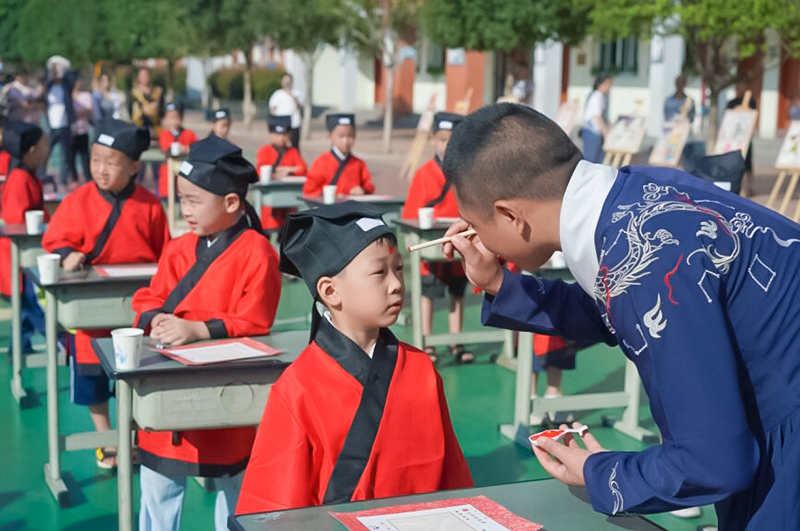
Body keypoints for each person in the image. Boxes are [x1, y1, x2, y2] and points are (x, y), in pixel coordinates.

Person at [440, 102, 800, 529]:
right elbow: (616, 306)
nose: (471, 236)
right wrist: (499, 282)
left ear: (510, 214)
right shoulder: (636, 190)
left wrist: (599, 474)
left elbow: (716, 460)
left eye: (472, 224)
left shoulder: (643, 262)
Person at [236, 202, 474, 514]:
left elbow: (453, 478)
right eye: (379, 272)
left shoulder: (422, 369)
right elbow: (276, 509)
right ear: (331, 291)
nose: (396, 285)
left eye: (399, 269)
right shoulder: (297, 388)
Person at [131, 135, 281, 531]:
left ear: (231, 203)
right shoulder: (178, 249)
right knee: (159, 484)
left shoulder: (257, 251)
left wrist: (197, 328)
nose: (185, 210)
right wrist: (155, 320)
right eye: (181, 199)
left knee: (236, 485)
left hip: (226, 385)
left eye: (195, 200)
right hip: (169, 382)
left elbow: (256, 319)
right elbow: (150, 296)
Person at [42, 118, 170, 469]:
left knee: (138, 378)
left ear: (133, 167)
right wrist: (68, 254)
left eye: (111, 163)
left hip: (136, 310)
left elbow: (167, 254)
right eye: (96, 160)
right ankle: (107, 439)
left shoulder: (150, 205)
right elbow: (54, 238)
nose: (100, 169)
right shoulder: (77, 200)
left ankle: (131, 438)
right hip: (91, 312)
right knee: (92, 380)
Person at [401, 112, 473, 364]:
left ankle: (457, 340)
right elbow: (410, 212)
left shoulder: (467, 172)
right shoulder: (423, 173)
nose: (446, 146)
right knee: (427, 293)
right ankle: (426, 342)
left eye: (451, 141)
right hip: (432, 242)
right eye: (442, 140)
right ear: (433, 141)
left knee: (458, 293)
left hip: (459, 241)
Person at [0, 120, 49, 355]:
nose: (46, 149)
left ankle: (18, 351)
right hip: (19, 261)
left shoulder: (26, 174)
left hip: (22, 259)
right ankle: (62, 345)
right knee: (40, 312)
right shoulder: (19, 179)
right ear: (31, 150)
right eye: (42, 145)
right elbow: (15, 222)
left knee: (26, 313)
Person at [255, 114, 307, 229]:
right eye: (278, 134)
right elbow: (260, 171)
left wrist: (288, 170)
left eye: (285, 134)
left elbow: (303, 168)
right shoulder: (265, 150)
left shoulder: (292, 151)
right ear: (271, 134)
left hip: (289, 202)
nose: (281, 138)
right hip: (270, 206)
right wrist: (275, 173)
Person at [303, 114, 374, 197]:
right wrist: (331, 196)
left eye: (350, 136)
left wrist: (363, 190)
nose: (346, 141)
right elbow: (309, 190)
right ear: (330, 136)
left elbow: (369, 185)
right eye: (341, 136)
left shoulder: (359, 164)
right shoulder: (321, 162)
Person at [45, 62, 76, 188]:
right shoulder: (48, 87)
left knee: (65, 156)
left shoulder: (65, 86)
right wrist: (52, 69)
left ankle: (63, 181)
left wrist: (64, 69)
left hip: (64, 125)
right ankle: (44, 178)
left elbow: (71, 80)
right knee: (46, 153)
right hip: (51, 126)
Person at [157, 102, 198, 198]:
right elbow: (167, 147)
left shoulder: (189, 134)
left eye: (176, 117)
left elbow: (197, 147)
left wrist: (186, 149)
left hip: (185, 180)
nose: (173, 121)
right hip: (167, 181)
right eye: (170, 118)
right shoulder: (164, 134)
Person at [726, 81, 758, 197]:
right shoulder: (731, 103)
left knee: (748, 164)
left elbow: (753, 116)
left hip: (746, 138)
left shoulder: (751, 101)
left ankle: (749, 187)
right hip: (733, 139)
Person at [580, 73, 612, 164]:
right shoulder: (598, 96)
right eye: (608, 84)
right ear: (600, 84)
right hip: (592, 132)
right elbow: (597, 117)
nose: (609, 87)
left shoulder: (598, 96)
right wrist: (606, 133)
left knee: (597, 159)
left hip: (593, 132)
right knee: (590, 160)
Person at [268, 73, 302, 152]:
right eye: (285, 80)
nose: (286, 82)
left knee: (294, 146)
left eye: (288, 81)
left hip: (294, 124)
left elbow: (299, 106)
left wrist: (292, 95)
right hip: (281, 124)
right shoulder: (277, 94)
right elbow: (272, 109)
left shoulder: (296, 93)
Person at [129, 67, 164, 139]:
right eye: (142, 75)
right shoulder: (132, 94)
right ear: (138, 77)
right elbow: (128, 111)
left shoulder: (158, 92)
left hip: (155, 128)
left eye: (146, 75)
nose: (144, 77)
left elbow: (163, 112)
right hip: (138, 128)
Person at [71, 78, 93, 182]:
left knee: (85, 157)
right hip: (71, 132)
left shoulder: (85, 95)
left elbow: (89, 111)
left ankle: (88, 179)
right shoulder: (68, 95)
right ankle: (73, 179)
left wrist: (76, 113)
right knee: (71, 157)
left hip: (83, 130)